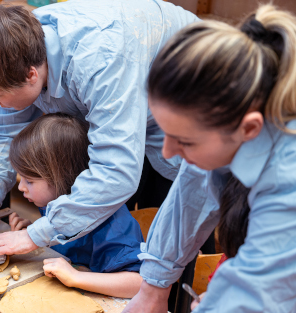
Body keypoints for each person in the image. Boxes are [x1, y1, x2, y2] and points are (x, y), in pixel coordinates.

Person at [0, 0, 199, 263]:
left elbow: (116, 172)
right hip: (138, 100)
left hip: (192, 105)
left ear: (31, 75)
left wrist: (33, 236)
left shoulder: (100, 62)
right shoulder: (14, 53)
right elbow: (4, 131)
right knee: (118, 224)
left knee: (176, 237)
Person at [124, 5, 296, 312]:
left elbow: (259, 296)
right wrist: (152, 287)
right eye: (166, 133)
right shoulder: (223, 125)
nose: (167, 153)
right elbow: (191, 195)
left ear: (249, 128)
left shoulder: (288, 178)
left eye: (185, 141)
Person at [5, 113, 144, 298]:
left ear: (60, 178)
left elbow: (139, 284)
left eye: (29, 180)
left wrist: (76, 277)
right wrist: (34, 232)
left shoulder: (111, 223)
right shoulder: (53, 200)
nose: (21, 187)